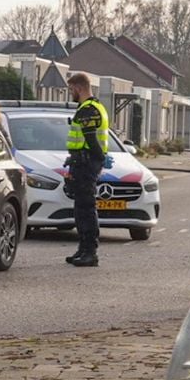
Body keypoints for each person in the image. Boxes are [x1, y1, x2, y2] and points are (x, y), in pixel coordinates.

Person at [63, 72, 109, 268]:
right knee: (81, 207)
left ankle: (90, 252)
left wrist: (97, 162)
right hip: (84, 162)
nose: (70, 93)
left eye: (71, 89)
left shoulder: (88, 110)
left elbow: (91, 141)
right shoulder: (94, 107)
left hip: (86, 163)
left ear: (79, 88)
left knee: (86, 208)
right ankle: (83, 249)